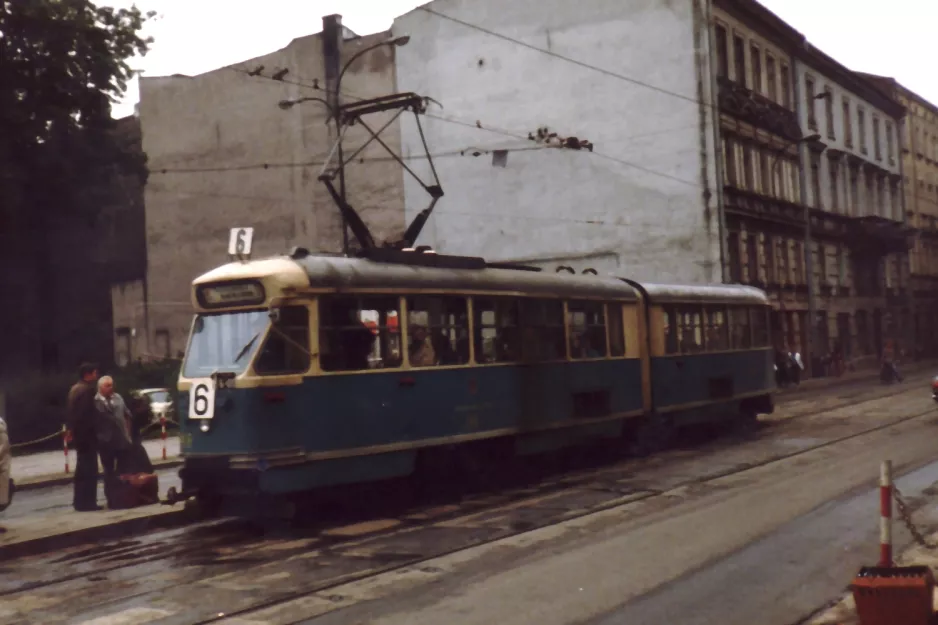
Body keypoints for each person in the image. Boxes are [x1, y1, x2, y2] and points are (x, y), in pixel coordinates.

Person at [93, 376, 133, 506]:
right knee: (108, 471)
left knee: (124, 469)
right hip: (105, 442)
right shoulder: (95, 401)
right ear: (100, 387)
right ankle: (111, 498)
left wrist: (128, 434)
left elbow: (127, 415)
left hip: (121, 439)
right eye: (107, 386)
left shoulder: (118, 398)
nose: (111, 388)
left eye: (111, 385)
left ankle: (125, 496)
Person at [66, 363, 102, 511]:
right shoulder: (86, 391)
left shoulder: (74, 389)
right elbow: (86, 415)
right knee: (90, 470)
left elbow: (71, 413)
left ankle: (79, 501)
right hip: (87, 437)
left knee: (81, 469)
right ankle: (88, 503)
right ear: (88, 374)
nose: (96, 375)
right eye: (95, 373)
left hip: (79, 436)